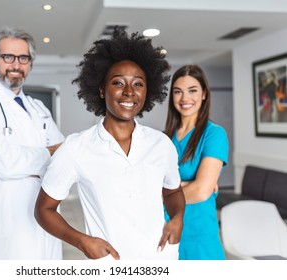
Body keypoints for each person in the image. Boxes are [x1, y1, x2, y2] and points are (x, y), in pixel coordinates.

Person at [34, 28, 185, 260]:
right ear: (102, 90)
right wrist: (81, 241)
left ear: (148, 91)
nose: (128, 92)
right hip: (109, 264)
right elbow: (43, 210)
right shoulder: (76, 148)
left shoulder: (161, 144)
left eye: (137, 84)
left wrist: (177, 219)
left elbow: (173, 191)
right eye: (118, 83)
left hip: (160, 259)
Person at [0, 27, 64, 260]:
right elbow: (4, 163)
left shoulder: (39, 108)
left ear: (30, 64)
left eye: (23, 58)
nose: (16, 64)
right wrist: (47, 154)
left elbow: (64, 156)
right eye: (8, 57)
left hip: (44, 215)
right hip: (3, 216)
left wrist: (31, 160)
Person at [164, 64, 229, 260]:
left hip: (199, 239)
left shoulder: (214, 134)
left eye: (192, 91)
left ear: (204, 94)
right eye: (178, 92)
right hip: (166, 235)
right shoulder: (163, 139)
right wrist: (190, 185)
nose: (185, 98)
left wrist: (161, 193)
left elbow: (201, 192)